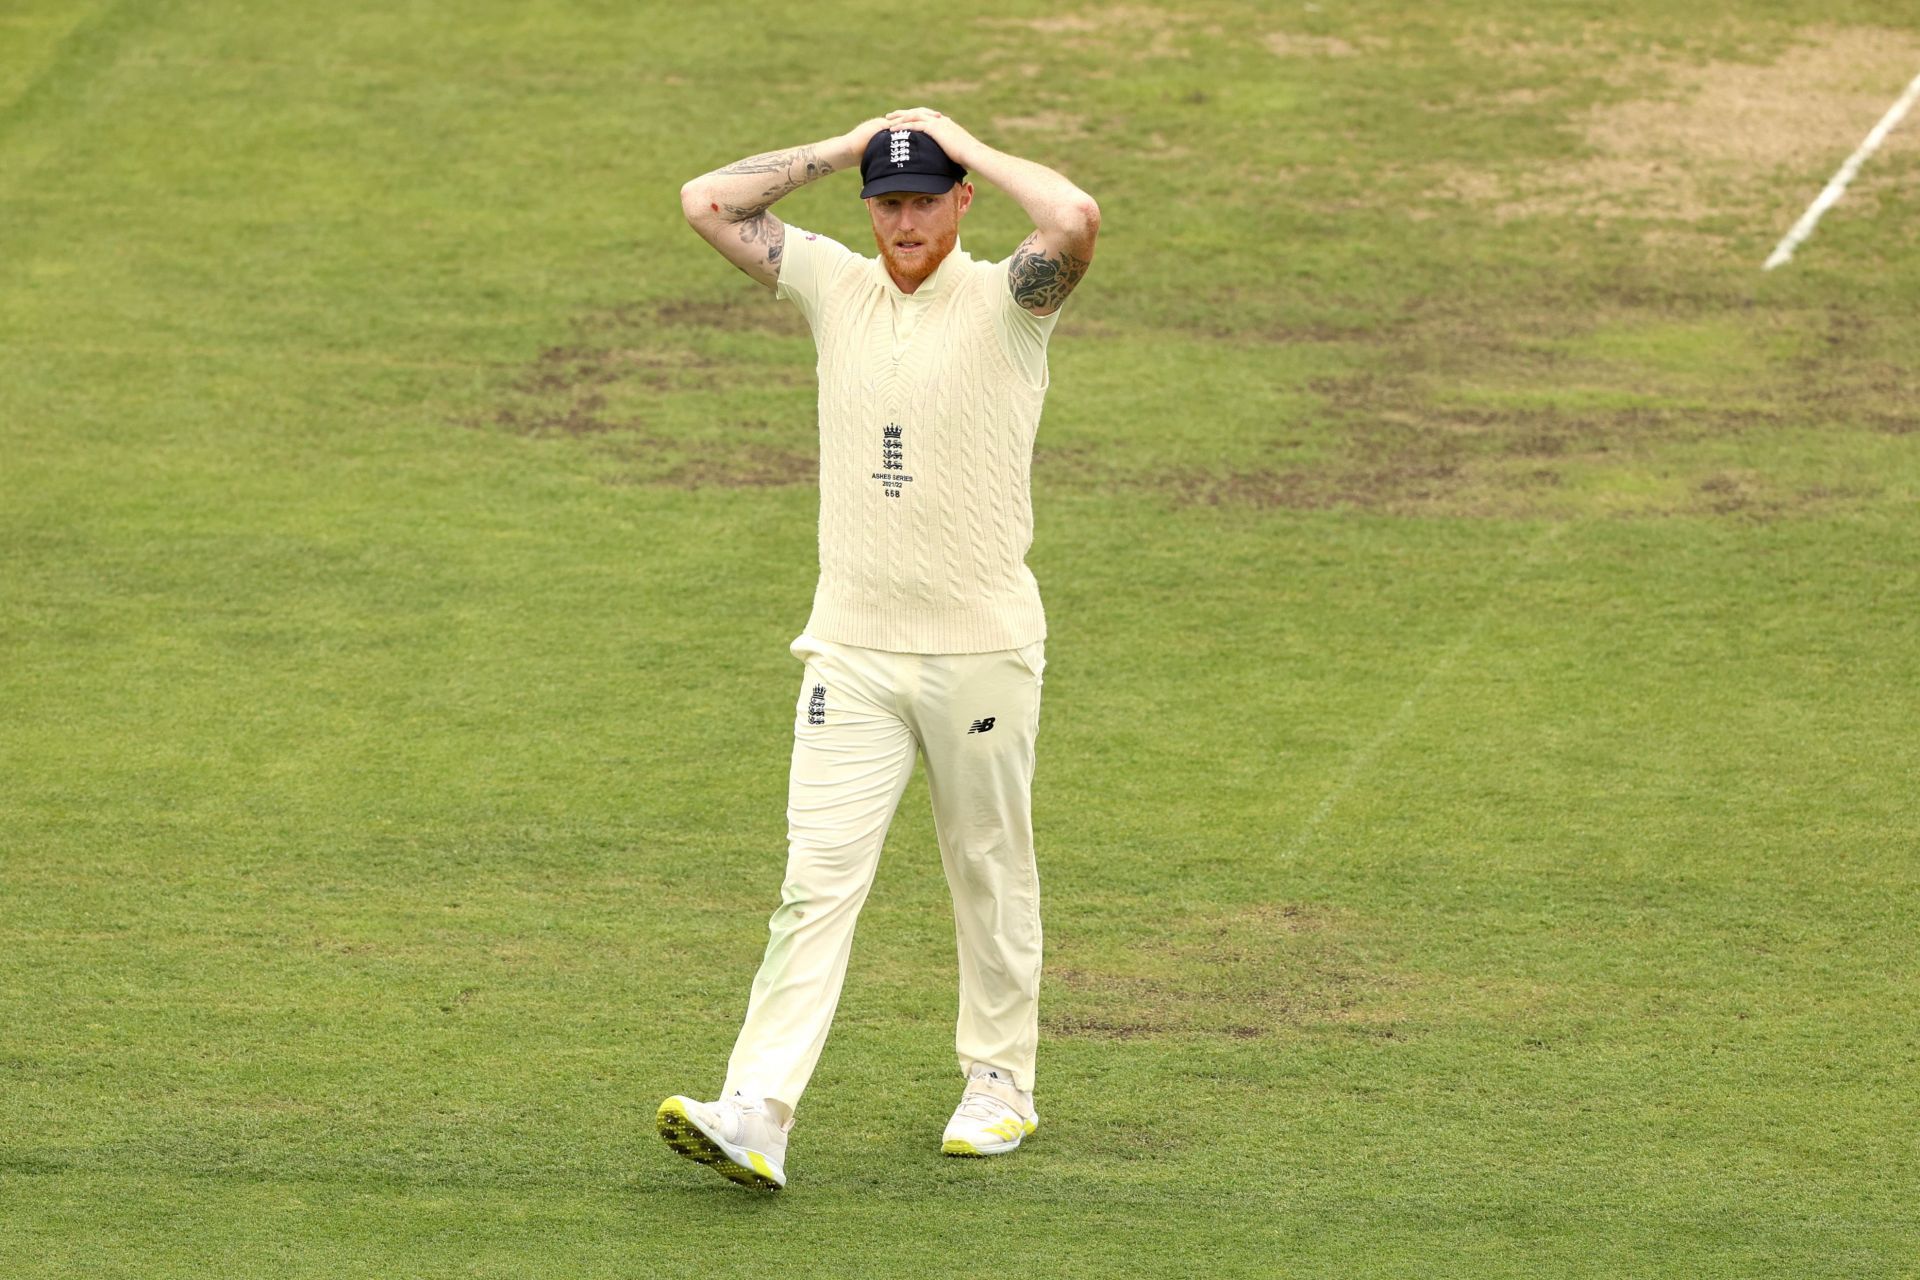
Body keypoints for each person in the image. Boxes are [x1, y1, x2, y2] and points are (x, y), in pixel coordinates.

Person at [656, 108, 1099, 1190]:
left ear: (960, 202)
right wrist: (854, 145)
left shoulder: (1008, 301)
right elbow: (706, 199)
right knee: (814, 882)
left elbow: (1076, 216)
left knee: (988, 868)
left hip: (981, 650)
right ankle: (757, 1107)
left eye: (924, 197)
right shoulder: (831, 283)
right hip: (849, 651)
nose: (904, 220)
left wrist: (957, 135)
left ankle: (1000, 1084)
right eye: (888, 201)